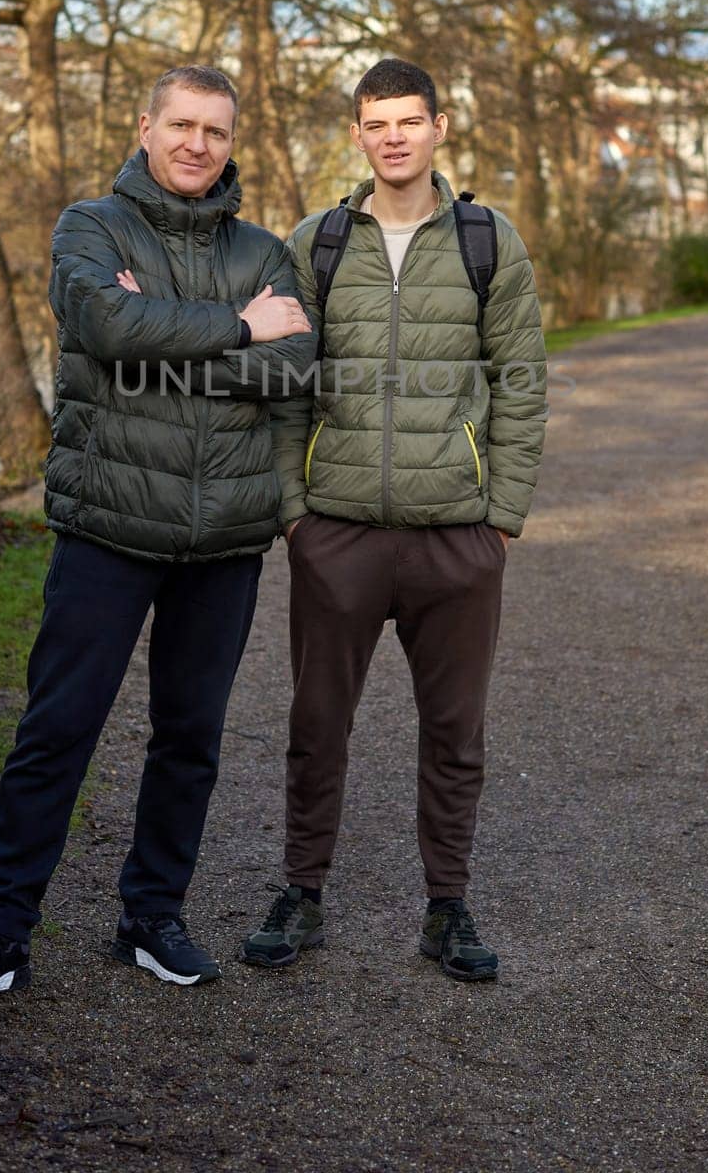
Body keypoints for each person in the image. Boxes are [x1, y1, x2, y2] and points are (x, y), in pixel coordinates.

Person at [0, 65, 314, 1004]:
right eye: (180, 125)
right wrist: (234, 328)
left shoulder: (266, 251)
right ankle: (1, 935)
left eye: (215, 131)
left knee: (191, 739)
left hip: (223, 540)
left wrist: (167, 340)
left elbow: (295, 369)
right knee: (57, 732)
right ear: (146, 127)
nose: (197, 144)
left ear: (232, 144)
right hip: (107, 527)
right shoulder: (91, 227)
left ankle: (152, 919)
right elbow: (103, 322)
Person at [241, 57, 546, 982]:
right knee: (316, 722)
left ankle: (447, 908)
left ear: (440, 126)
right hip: (338, 535)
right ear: (358, 134)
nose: (394, 138)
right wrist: (296, 514)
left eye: (410, 121)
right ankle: (302, 893)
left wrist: (502, 520)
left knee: (455, 732)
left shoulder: (491, 242)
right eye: (377, 124)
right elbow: (289, 385)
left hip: (457, 536)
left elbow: (522, 385)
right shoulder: (318, 241)